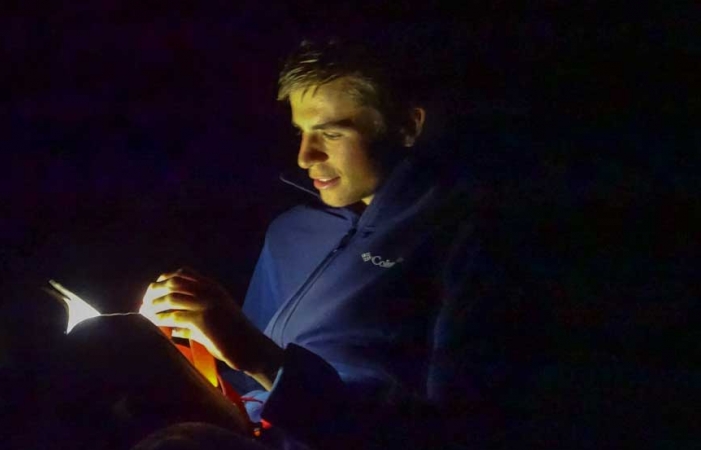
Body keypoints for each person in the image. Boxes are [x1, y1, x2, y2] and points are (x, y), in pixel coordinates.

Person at [138, 38, 552, 449]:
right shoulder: (291, 233)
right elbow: (245, 387)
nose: (305, 156)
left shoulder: (466, 240)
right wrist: (185, 344)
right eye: (301, 131)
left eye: (331, 133)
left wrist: (259, 356)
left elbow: (451, 432)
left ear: (408, 126)